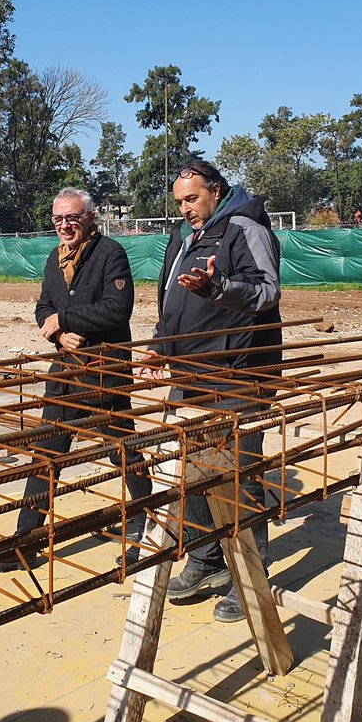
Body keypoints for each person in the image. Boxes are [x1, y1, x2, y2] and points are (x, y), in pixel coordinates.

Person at [136, 160, 282, 622]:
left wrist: (218, 285)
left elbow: (266, 292)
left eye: (192, 199)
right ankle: (204, 560)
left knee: (240, 475)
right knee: (191, 469)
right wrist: (161, 348)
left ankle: (250, 579)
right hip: (190, 371)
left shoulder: (244, 228)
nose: (185, 210)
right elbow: (170, 300)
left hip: (238, 370)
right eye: (179, 202)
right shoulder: (182, 238)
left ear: (215, 191)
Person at [0, 188, 151, 572]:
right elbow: (44, 307)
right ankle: (25, 542)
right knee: (46, 455)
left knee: (122, 449)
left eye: (72, 218)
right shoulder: (54, 257)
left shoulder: (111, 253)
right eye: (58, 219)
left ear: (89, 219)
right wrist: (58, 333)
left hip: (102, 373)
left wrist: (67, 320)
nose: (64, 226)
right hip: (64, 373)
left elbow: (117, 310)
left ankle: (148, 522)